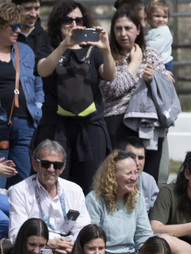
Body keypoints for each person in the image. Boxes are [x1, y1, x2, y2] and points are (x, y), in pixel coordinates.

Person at [33, 1, 115, 192]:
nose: (74, 24)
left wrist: (106, 49)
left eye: (79, 19)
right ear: (58, 24)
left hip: (90, 127)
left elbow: (109, 76)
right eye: (68, 20)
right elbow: (43, 70)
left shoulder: (93, 51)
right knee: (55, 183)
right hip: (57, 127)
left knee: (91, 184)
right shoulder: (48, 48)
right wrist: (65, 45)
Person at [100, 5, 166, 176]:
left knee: (147, 178)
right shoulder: (107, 56)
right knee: (119, 177)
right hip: (117, 121)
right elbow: (113, 88)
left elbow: (166, 85)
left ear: (138, 29)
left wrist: (154, 78)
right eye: (118, 29)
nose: (123, 34)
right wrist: (135, 64)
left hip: (148, 122)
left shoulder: (151, 53)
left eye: (128, 28)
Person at [8, 140, 89, 254]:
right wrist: (48, 244)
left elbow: (83, 227)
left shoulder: (75, 190)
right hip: (35, 252)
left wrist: (72, 246)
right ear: (35, 164)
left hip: (70, 250)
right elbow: (16, 235)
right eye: (46, 164)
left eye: (57, 165)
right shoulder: (19, 191)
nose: (51, 169)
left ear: (62, 168)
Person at [84, 150, 152, 254]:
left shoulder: (137, 198)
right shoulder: (95, 199)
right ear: (113, 176)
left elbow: (144, 235)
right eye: (128, 173)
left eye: (135, 172)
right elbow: (92, 236)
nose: (134, 177)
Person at [0, 3, 42, 188]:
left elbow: (38, 83)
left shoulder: (25, 51)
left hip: (25, 123)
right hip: (1, 123)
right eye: (13, 26)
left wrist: (38, 106)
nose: (18, 30)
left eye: (19, 25)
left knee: (23, 181)